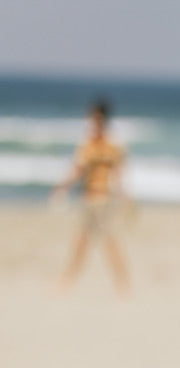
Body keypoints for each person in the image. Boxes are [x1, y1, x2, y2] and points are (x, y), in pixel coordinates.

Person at [51, 97, 131, 294]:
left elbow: (118, 175)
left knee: (107, 241)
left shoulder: (111, 146)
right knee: (83, 242)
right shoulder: (90, 145)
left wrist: (123, 198)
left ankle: (122, 282)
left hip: (103, 199)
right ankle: (68, 280)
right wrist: (63, 187)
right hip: (89, 198)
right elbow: (78, 171)